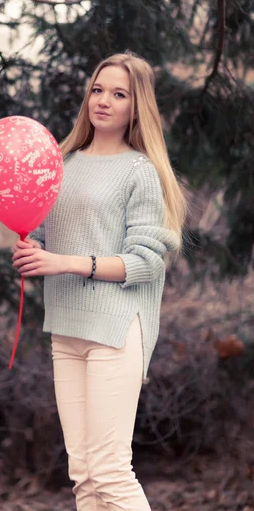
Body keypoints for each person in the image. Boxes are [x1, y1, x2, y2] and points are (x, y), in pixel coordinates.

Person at [12, 51, 188, 510]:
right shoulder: (62, 165)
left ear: (137, 106)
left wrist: (63, 262)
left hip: (114, 330)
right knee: (84, 475)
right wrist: (33, 250)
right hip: (66, 328)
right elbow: (53, 237)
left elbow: (147, 263)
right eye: (97, 89)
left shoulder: (140, 172)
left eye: (119, 93)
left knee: (110, 471)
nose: (103, 101)